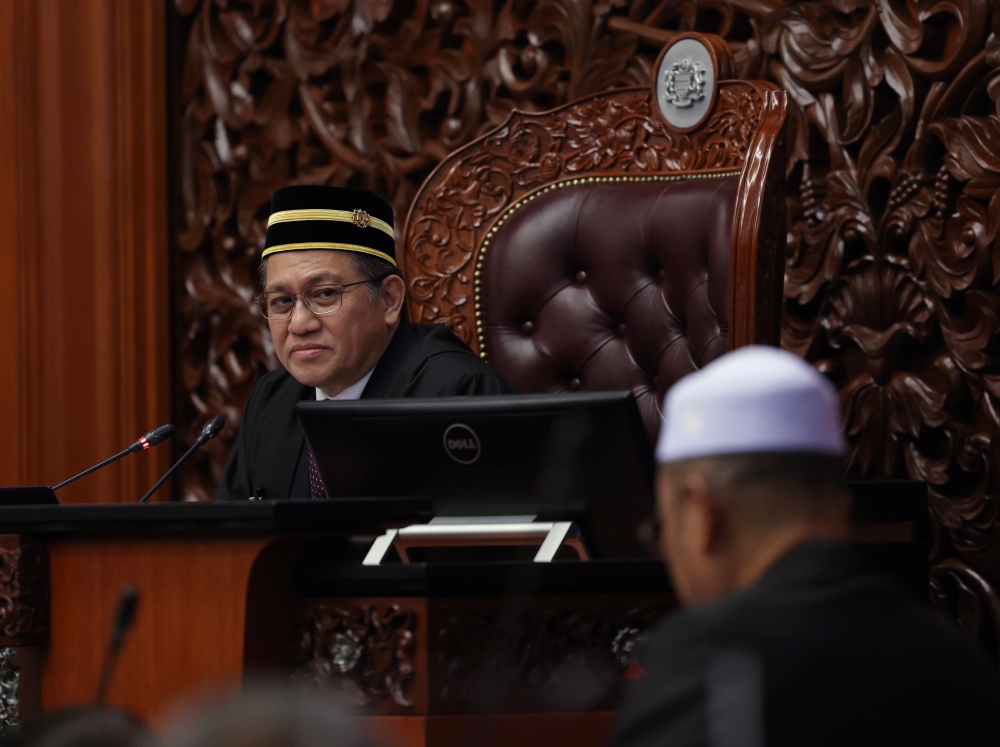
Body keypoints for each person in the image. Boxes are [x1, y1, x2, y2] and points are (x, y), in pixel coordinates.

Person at [612, 346, 1000, 747]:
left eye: (663, 527)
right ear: (841, 506)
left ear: (700, 515)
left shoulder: (707, 661)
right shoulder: (955, 660)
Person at [218, 185, 516, 501]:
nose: (299, 324)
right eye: (281, 301)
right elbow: (231, 529)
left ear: (389, 299)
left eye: (325, 294)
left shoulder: (457, 394)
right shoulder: (271, 402)